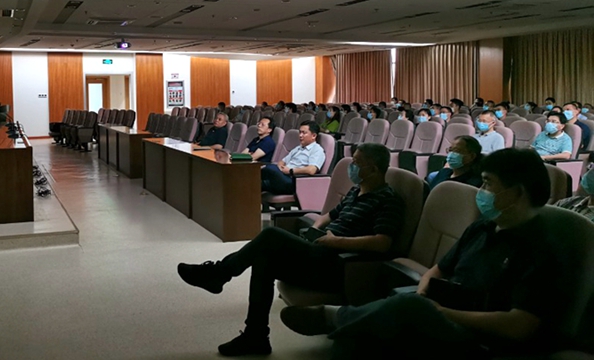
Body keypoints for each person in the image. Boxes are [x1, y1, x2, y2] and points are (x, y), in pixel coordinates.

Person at [280, 148, 564, 360]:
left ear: (517, 193)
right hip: (448, 314)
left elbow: (520, 326)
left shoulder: (541, 249)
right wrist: (425, 291)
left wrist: (441, 312)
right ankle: (343, 321)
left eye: (488, 184)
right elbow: (440, 268)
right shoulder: (483, 227)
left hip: (484, 339)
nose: (481, 191)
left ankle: (333, 316)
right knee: (357, 338)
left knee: (400, 310)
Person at [177, 143, 404, 357]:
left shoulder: (388, 199)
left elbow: (382, 242)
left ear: (373, 169)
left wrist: (337, 242)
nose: (351, 166)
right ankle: (255, 336)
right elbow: (329, 215)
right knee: (264, 260)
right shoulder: (356, 191)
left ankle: (219, 273)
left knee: (270, 235)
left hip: (342, 265)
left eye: (356, 163)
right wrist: (315, 228)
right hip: (321, 251)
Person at [259, 121, 325, 195]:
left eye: (304, 133)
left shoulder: (317, 150)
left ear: (313, 136)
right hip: (283, 176)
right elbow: (282, 161)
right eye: (300, 132)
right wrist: (280, 167)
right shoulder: (298, 148)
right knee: (256, 184)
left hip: (294, 181)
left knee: (269, 167)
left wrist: (291, 171)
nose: (300, 135)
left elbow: (311, 170)